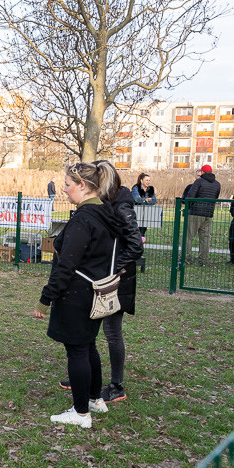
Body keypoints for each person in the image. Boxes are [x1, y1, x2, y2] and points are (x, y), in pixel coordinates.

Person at [33, 162, 136, 427]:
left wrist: (45, 299)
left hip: (77, 294)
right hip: (96, 291)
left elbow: (66, 265)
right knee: (88, 345)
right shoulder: (105, 214)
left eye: (68, 184)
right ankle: (94, 399)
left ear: (83, 185)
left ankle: (80, 414)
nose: (65, 190)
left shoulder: (84, 220)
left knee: (77, 350)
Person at [95, 161, 144, 404]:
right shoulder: (106, 204)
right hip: (103, 276)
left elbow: (136, 246)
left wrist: (113, 268)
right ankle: (86, 373)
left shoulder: (122, 205)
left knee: (112, 332)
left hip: (118, 279)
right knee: (89, 326)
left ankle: (117, 385)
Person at [183, 164, 221, 265]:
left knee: (189, 237)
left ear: (202, 172)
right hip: (209, 213)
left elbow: (190, 197)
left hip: (195, 212)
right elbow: (216, 198)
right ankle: (203, 261)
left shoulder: (198, 181)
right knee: (205, 238)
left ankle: (185, 259)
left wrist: (190, 207)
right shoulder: (217, 184)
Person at [130, 172, 156, 238]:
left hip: (146, 213)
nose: (148, 182)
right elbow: (136, 199)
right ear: (141, 181)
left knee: (143, 231)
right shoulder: (136, 188)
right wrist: (146, 199)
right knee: (136, 230)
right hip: (136, 211)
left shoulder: (151, 189)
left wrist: (143, 200)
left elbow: (153, 201)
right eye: (146, 180)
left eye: (149, 180)